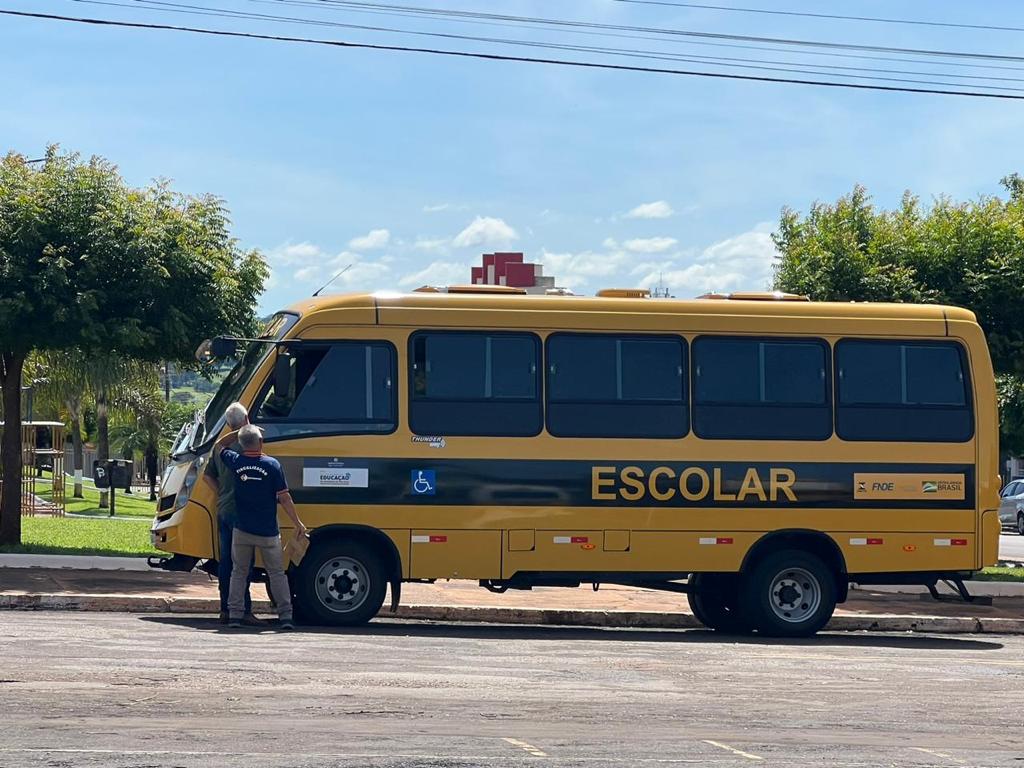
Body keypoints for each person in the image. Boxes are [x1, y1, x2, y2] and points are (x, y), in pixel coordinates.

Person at [217, 423, 306, 630]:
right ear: (261, 442)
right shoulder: (272, 465)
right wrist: (297, 523)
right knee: (276, 573)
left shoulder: (236, 461)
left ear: (241, 443)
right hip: (268, 532)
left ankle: (235, 616)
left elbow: (219, 445)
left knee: (238, 572)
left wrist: (240, 431)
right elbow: (284, 498)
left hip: (242, 530)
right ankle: (285, 616)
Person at [202, 402, 259, 624]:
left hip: (224, 510)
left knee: (226, 561)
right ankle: (243, 610)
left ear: (228, 423)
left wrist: (223, 492)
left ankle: (225, 608)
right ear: (246, 420)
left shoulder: (220, 448)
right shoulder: (247, 445)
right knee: (244, 563)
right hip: (243, 512)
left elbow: (208, 477)